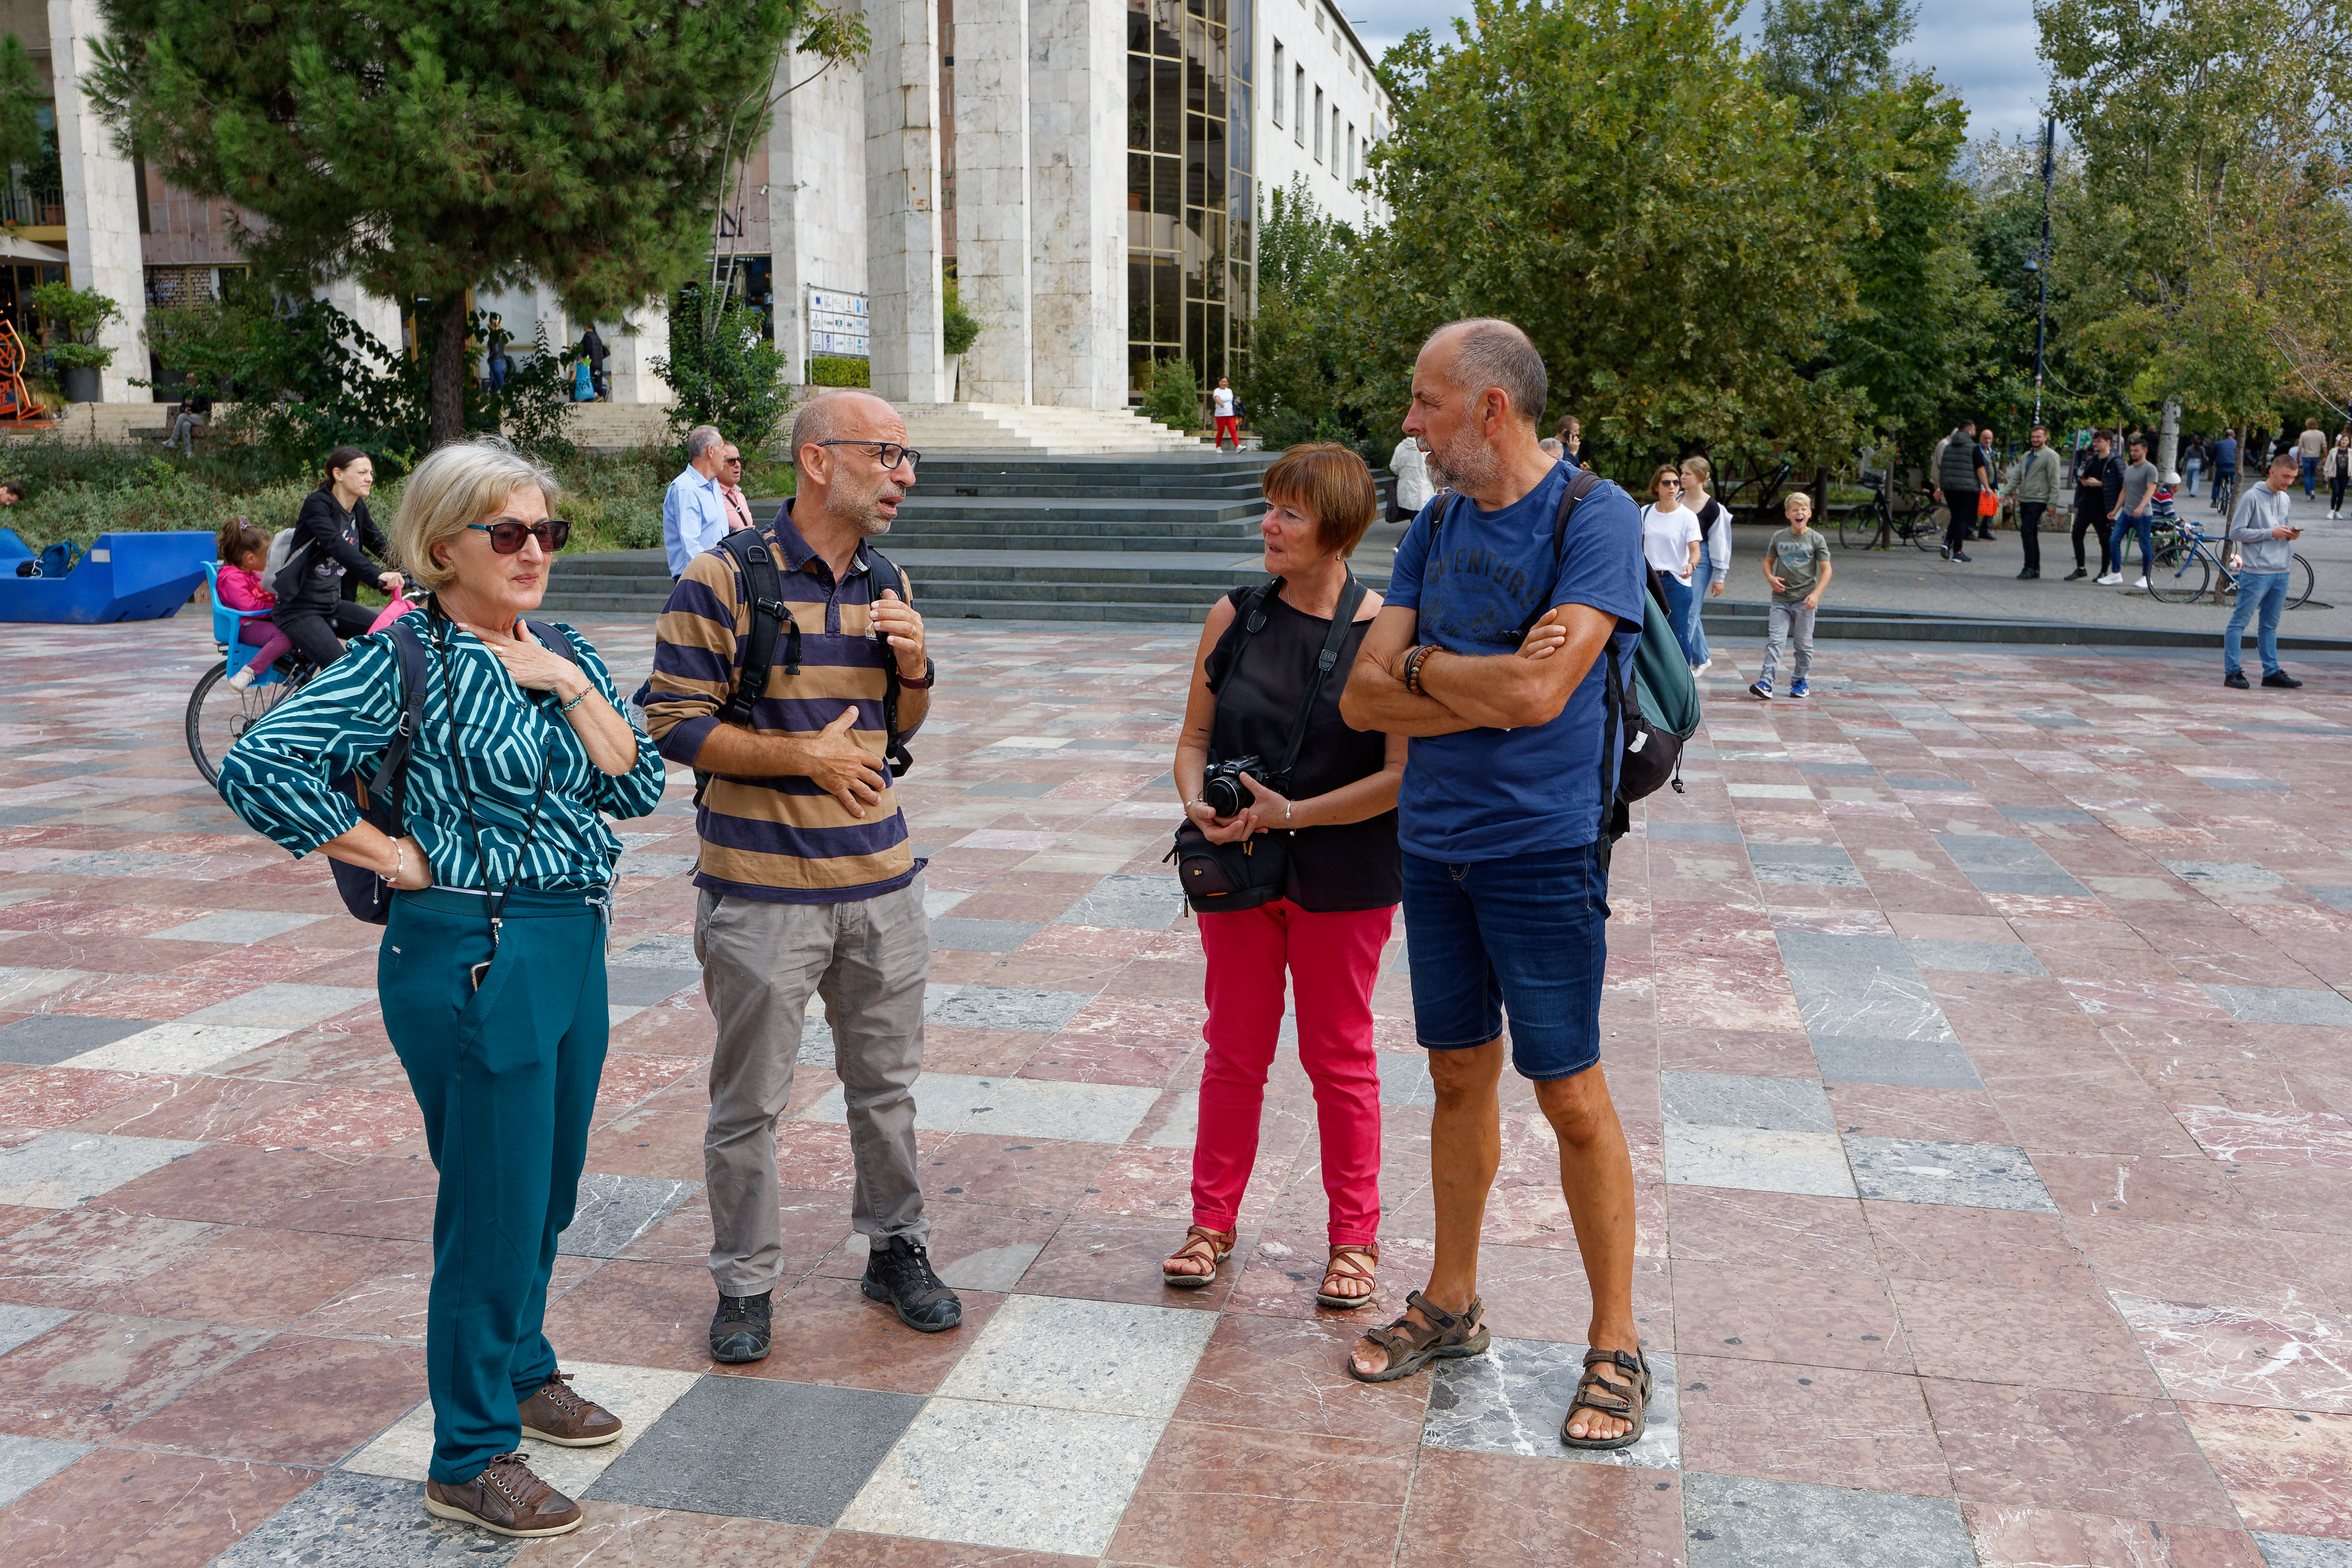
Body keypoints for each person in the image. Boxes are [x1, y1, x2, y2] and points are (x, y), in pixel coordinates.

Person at [217, 437, 664, 1540]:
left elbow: (642, 783)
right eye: (504, 533)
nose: (532, 552)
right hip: (473, 945)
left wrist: (562, 685)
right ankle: (469, 1454)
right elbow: (261, 762)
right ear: (439, 544)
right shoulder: (403, 655)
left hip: (572, 942)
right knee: (493, 1205)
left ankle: (519, 1367)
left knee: (546, 1191)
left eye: (545, 532)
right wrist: (387, 853)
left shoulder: (561, 649)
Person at [1336, 319, 1653, 1450]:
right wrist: (1460, 673)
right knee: (1457, 1075)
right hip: (1436, 843)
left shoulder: (1595, 519)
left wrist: (1434, 672)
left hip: (1543, 847)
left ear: (1490, 410)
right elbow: (1365, 699)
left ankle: (1616, 1340)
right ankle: (1455, 1300)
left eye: (1426, 403)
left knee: (1569, 1091)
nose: (1408, 424)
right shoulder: (1436, 526)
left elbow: (1540, 701)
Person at [641, 389, 957, 1362]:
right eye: (888, 454)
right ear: (820, 460)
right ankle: (745, 1283)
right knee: (749, 1103)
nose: (904, 474)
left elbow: (893, 735)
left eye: (909, 458)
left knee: (887, 1086)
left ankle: (894, 1246)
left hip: (881, 885)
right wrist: (803, 760)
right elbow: (673, 723)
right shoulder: (722, 579)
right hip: (762, 893)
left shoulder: (887, 577)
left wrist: (914, 674)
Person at [1163, 443, 1405, 1308]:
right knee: (1234, 1047)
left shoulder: (1388, 627)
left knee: (1338, 1055)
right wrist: (1201, 804)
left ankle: (1355, 1238)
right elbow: (1194, 741)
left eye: (1290, 512)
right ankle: (1210, 1222)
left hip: (1346, 867)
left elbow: (1398, 776)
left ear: (1336, 527)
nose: (1269, 524)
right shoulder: (1235, 615)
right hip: (1241, 861)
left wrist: (1291, 812)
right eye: (1270, 506)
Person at [272, 446, 405, 668]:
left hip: (333, 604)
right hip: (298, 609)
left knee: (393, 633)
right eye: (362, 473)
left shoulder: (358, 508)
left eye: (371, 473)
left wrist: (417, 570)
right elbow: (336, 545)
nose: (369, 479)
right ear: (339, 474)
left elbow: (379, 543)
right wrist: (378, 575)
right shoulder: (318, 505)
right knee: (340, 669)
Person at [2223, 448, 2308, 690]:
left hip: (2282, 569)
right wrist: (2270, 533)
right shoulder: (2252, 497)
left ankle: (2271, 671)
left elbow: (2279, 528)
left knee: (2270, 625)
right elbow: (2236, 532)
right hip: (2257, 571)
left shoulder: (2285, 498)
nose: (2289, 482)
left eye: (2293, 478)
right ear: (2272, 472)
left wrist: (2290, 535)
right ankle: (2232, 672)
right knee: (2240, 621)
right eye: (2285, 477)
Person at [1750, 491, 1831, 701]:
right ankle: (1766, 682)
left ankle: (1800, 681)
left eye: (1803, 509)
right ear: (1788, 514)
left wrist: (1816, 594)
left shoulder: (1816, 539)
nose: (1799, 513)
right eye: (1795, 510)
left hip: (1805, 600)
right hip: (1781, 600)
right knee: (1776, 640)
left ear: (1810, 514)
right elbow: (1768, 562)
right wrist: (1771, 578)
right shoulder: (1779, 537)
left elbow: (1827, 570)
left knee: (1803, 644)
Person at [216, 519, 294, 690]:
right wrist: (275, 608)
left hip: (257, 622)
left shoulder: (250, 574)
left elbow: (271, 590)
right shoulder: (232, 578)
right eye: (268, 556)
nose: (270, 560)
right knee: (284, 637)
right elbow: (250, 607)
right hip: (246, 626)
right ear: (250, 559)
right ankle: (249, 672)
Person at [1639, 465, 1703, 666]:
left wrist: (1691, 565)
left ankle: (1684, 681)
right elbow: (1637, 546)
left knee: (1679, 635)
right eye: (1666, 483)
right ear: (1656, 486)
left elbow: (1695, 549)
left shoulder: (1687, 516)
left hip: (1677, 582)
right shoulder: (1646, 512)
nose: (1672, 487)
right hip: (1650, 581)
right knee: (1648, 633)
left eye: (1676, 482)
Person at [1680, 456, 1730, 675]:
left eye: (1687, 474)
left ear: (1700, 477)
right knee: (1687, 608)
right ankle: (1703, 658)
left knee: (1690, 608)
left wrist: (1720, 576)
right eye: (1682, 472)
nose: (1682, 477)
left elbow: (1721, 542)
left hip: (1703, 557)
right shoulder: (1677, 499)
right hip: (1678, 556)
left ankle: (1680, 665)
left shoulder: (1713, 509)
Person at [661, 425, 730, 578]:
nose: (726, 454)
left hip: (716, 574)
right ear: (711, 451)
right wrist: (714, 574)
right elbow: (691, 544)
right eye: (723, 448)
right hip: (697, 578)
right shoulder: (685, 489)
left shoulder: (714, 485)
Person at [2100, 434, 2159, 588]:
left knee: (2144, 545)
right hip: (2127, 513)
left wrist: (2141, 507)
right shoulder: (2129, 469)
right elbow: (2125, 491)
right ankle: (2115, 574)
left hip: (2143, 514)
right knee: (2114, 540)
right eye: (2132, 451)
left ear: (2145, 451)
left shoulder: (2150, 469)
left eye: (2136, 451)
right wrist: (2115, 510)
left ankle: (2147, 577)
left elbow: (2151, 489)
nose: (2133, 453)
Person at [2009, 423, 2063, 580]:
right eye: (2033, 437)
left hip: (2039, 499)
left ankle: (2029, 567)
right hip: (2025, 498)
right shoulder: (2026, 456)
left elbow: (2054, 481)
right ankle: (2035, 569)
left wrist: (2053, 503)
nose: (2035, 440)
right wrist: (2004, 493)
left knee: (2026, 530)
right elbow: (2017, 478)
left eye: (2039, 437)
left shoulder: (2051, 456)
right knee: (2031, 533)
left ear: (2046, 438)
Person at [2068, 430, 2123, 580]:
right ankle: (2081, 568)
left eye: (2100, 441)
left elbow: (2122, 485)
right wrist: (2084, 481)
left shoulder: (2116, 461)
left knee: (2105, 540)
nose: (2096, 444)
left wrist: (2101, 484)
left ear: (2109, 443)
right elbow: (2083, 473)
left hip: (2103, 507)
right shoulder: (2092, 459)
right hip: (2086, 504)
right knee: (2077, 534)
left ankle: (2105, 571)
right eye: (2095, 441)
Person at [1933, 419, 1987, 561]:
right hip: (1967, 489)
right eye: (1974, 429)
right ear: (1969, 431)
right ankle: (1958, 552)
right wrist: (1987, 487)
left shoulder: (1949, 448)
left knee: (1956, 516)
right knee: (1962, 519)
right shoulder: (1974, 448)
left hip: (1950, 489)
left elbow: (1943, 470)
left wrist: (1940, 488)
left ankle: (1947, 543)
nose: (1975, 432)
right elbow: (1980, 469)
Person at [1389, 432, 1432, 523]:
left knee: (1413, 517)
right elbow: (1431, 469)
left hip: (1405, 489)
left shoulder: (1400, 447)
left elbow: (1394, 467)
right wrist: (1440, 488)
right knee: (1423, 519)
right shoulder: (1423, 448)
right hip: (1423, 490)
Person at [718, 441, 757, 533]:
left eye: (739, 460)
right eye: (731, 461)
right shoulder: (714, 496)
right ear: (718, 463)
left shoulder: (740, 496)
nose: (738, 465)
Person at [1973, 427, 2000, 541]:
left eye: (1990, 439)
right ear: (1980, 439)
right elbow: (1978, 469)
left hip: (1991, 484)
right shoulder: (1977, 450)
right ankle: (1970, 530)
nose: (1988, 441)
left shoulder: (1991, 450)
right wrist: (1982, 486)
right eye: (1985, 438)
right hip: (1981, 485)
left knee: (1992, 506)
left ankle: (1985, 530)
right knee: (1976, 507)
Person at [166, 390, 212, 456]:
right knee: (185, 425)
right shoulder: (188, 391)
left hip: (202, 418)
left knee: (182, 416)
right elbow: (182, 406)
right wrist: (185, 410)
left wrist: (193, 405)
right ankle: (189, 451)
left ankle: (174, 440)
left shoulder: (204, 390)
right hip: (191, 417)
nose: (187, 381)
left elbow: (207, 407)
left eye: (188, 379)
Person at [2210, 428, 2239, 514]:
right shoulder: (2237, 444)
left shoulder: (2219, 444)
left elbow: (2212, 455)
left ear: (2225, 436)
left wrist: (2211, 464)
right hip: (2233, 466)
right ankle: (2233, 489)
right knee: (2234, 478)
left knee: (2217, 483)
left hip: (2221, 466)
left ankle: (2214, 501)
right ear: (2234, 436)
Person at [2325, 429, 2350, 520]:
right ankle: (2332, 510)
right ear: (2340, 441)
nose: (2344, 442)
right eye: (2343, 440)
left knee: (2341, 494)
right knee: (2335, 492)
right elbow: (2329, 462)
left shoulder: (2350, 452)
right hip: (2334, 474)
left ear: (2349, 442)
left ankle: (2337, 511)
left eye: (2346, 441)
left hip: (2345, 475)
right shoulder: (2334, 451)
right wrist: (2326, 473)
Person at [2298, 416, 2326, 499]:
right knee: (2312, 475)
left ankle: (2308, 495)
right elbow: (2324, 446)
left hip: (2307, 456)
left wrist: (2297, 458)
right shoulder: (2321, 434)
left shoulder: (2304, 434)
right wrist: (2326, 456)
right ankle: (2313, 491)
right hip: (2316, 456)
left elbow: (2300, 447)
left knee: (2307, 475)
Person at [579, 325, 608, 401]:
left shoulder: (588, 337)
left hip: (591, 363)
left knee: (586, 379)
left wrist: (582, 357)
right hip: (599, 363)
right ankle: (596, 397)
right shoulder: (597, 337)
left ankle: (602, 391)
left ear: (587, 327)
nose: (584, 328)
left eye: (584, 326)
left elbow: (587, 349)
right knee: (597, 380)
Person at [1211, 376, 1240, 450]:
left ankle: (1238, 446)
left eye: (1225, 382)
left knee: (1233, 430)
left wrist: (1237, 402)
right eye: (1222, 382)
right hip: (1221, 415)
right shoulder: (1217, 391)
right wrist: (1220, 403)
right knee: (1221, 431)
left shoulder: (1229, 391)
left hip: (1230, 414)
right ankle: (1218, 447)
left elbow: (1231, 400)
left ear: (1228, 383)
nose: (1224, 383)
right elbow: (1216, 398)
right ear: (1219, 382)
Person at [485, 313, 511, 393]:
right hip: (503, 362)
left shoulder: (494, 336)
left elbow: (495, 351)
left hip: (496, 363)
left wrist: (490, 360)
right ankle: (492, 404)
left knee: (503, 388)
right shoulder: (502, 335)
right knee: (493, 388)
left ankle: (512, 406)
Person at [2181, 434, 2205, 499]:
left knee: (2189, 479)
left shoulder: (2189, 449)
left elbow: (2186, 457)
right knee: (2196, 479)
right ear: (2199, 441)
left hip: (2190, 464)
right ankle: (2193, 492)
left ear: (2192, 441)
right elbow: (2204, 457)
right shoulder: (2201, 449)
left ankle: (2191, 489)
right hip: (2198, 464)